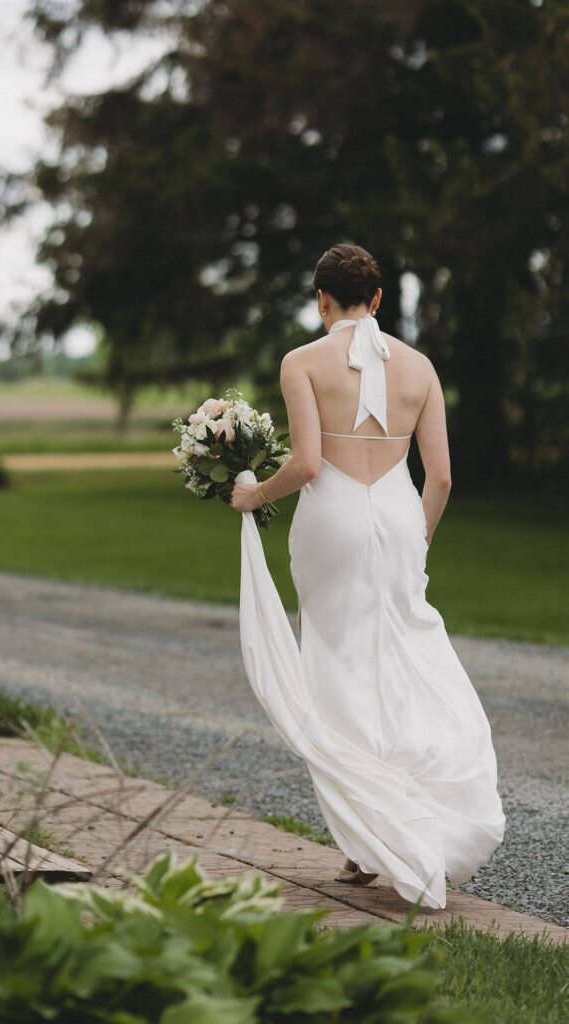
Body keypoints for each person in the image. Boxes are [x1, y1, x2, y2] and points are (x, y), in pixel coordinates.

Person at [230, 243, 505, 909]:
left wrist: (251, 495)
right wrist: (415, 540)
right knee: (408, 657)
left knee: (338, 667)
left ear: (320, 298)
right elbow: (438, 476)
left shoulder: (301, 362)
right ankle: (399, 824)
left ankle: (366, 837)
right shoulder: (420, 368)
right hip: (396, 514)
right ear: (377, 299)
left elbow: (305, 465)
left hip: (331, 523)